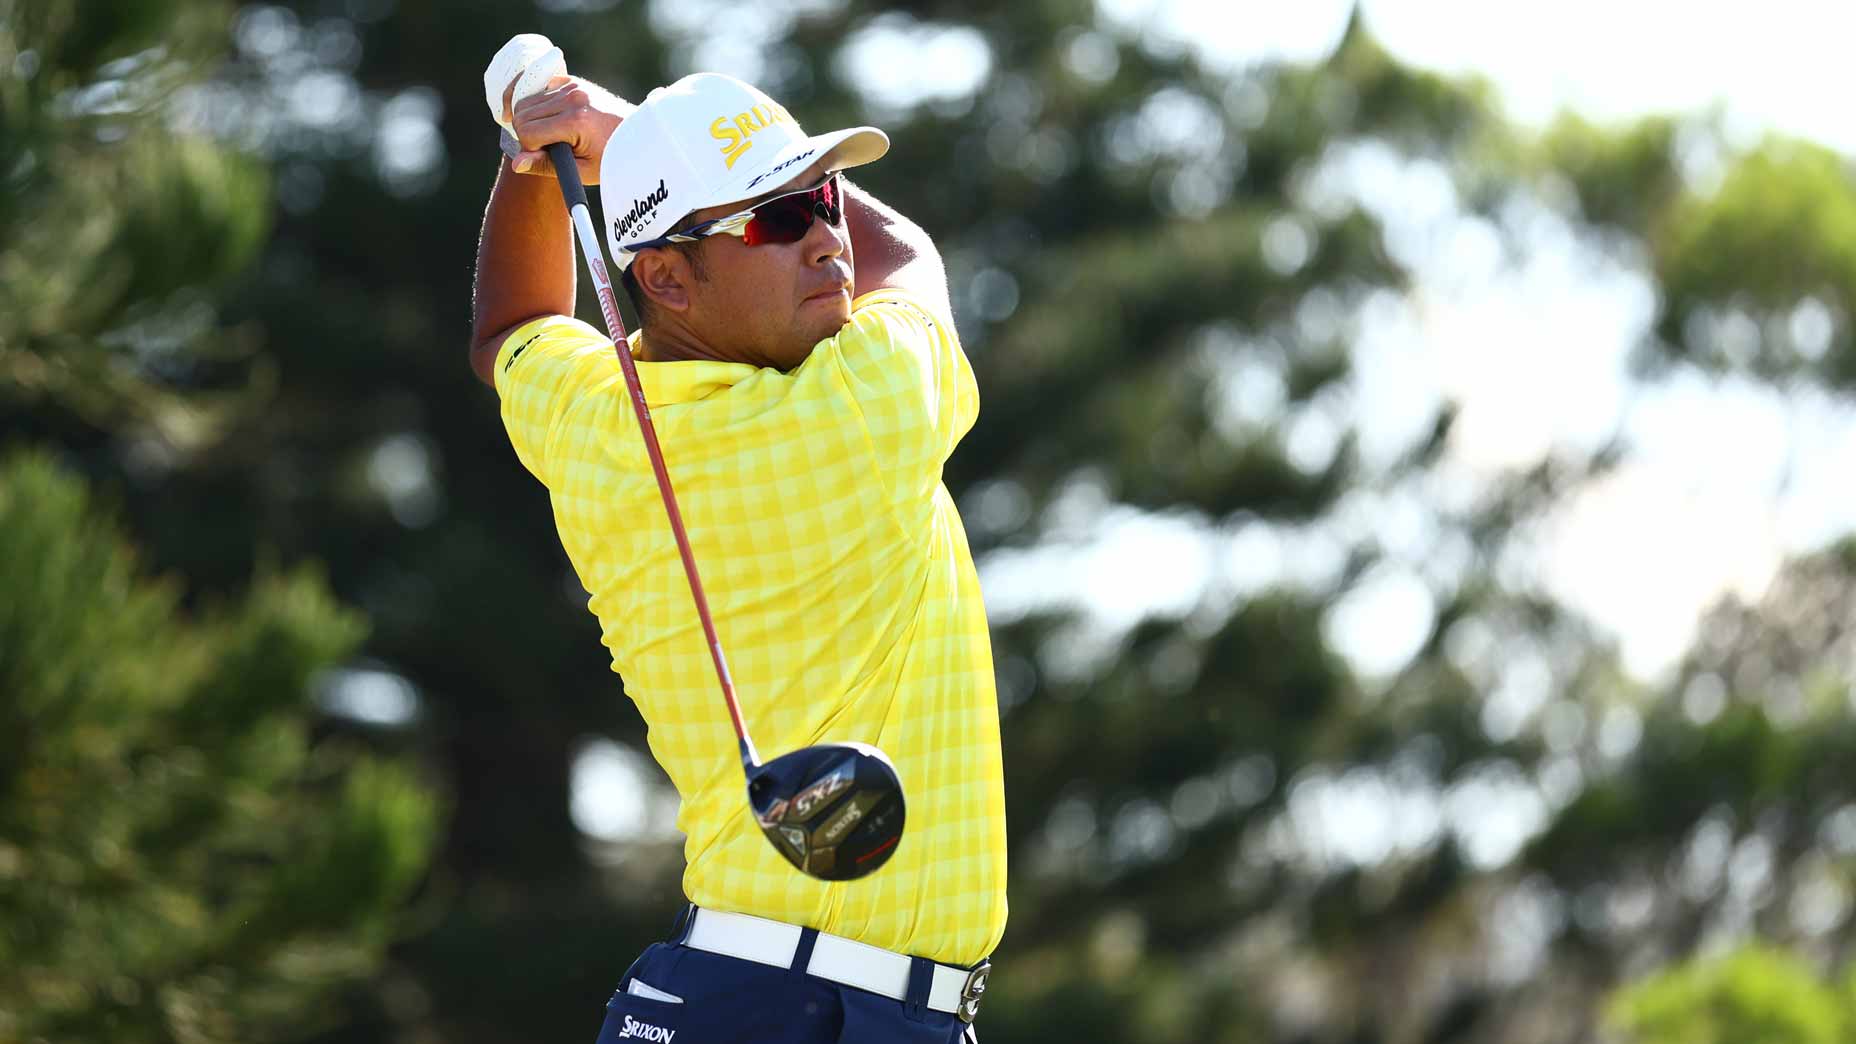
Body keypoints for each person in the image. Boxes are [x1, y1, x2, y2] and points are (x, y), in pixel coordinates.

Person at [469, 60, 1006, 1044]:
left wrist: (531, 166)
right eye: (772, 220)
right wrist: (609, 131)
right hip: (833, 1013)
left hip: (712, 996)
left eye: (822, 198)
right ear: (664, 278)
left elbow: (512, 328)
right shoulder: (868, 403)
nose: (825, 242)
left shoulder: (595, 426)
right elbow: (909, 254)